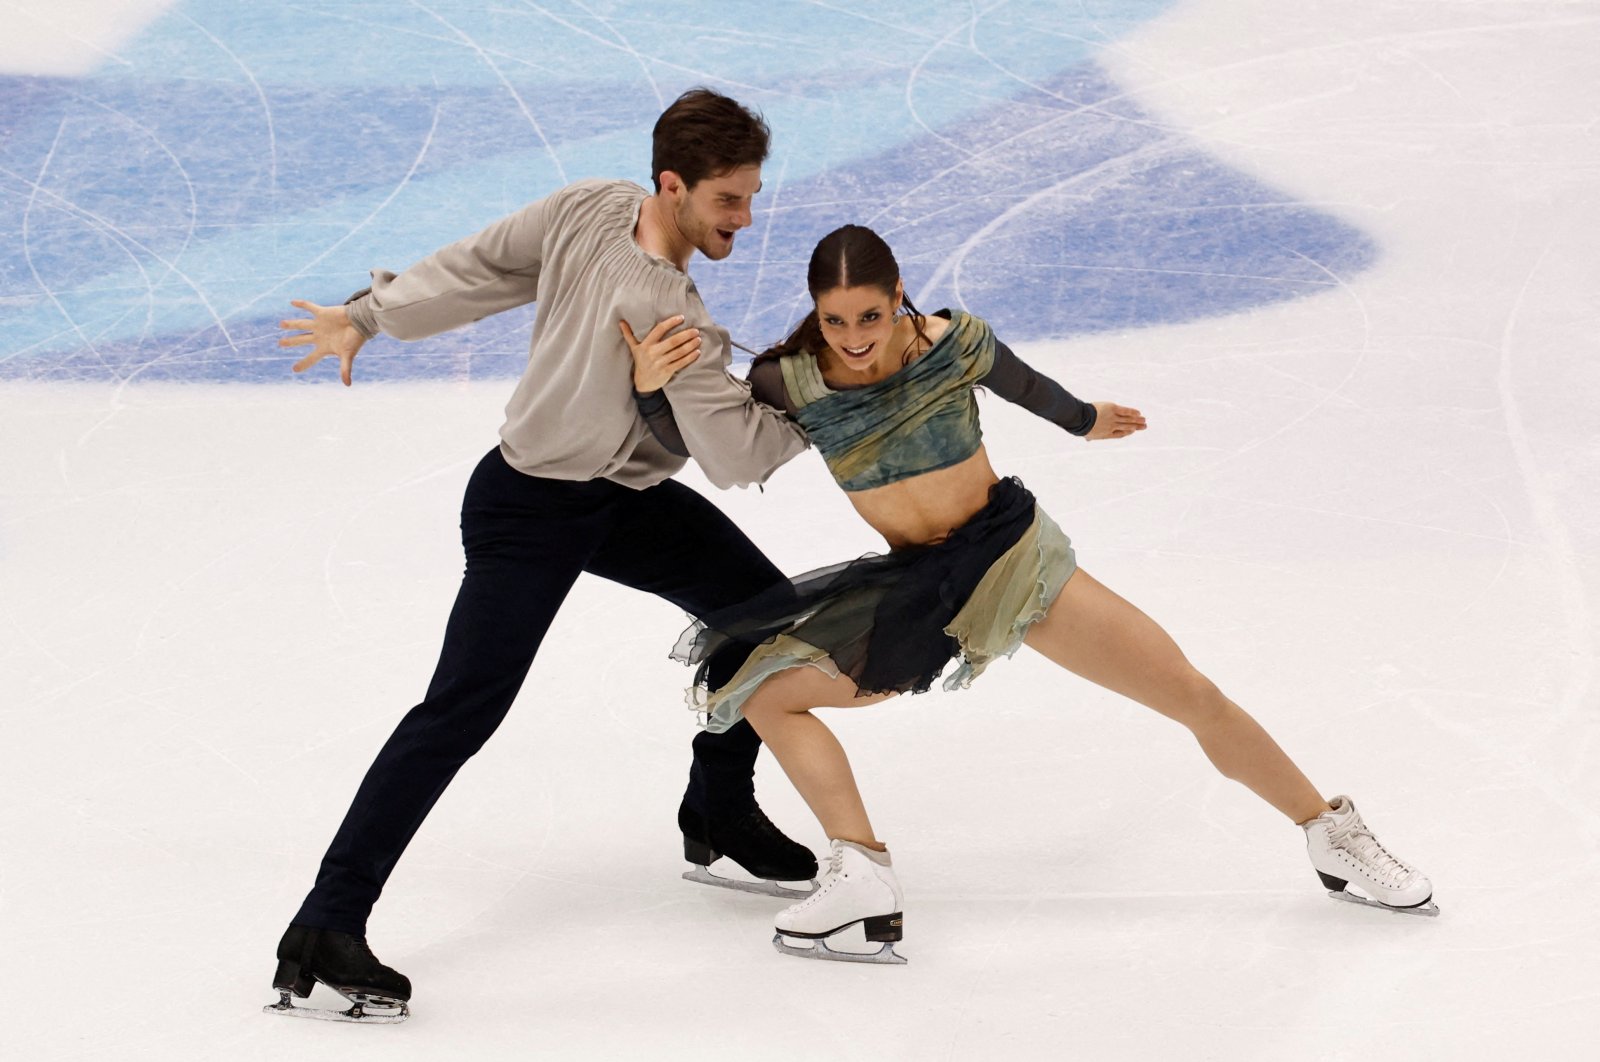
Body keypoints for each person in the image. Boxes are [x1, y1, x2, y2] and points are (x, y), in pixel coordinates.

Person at [624, 224, 1437, 965]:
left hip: (1013, 562)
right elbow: (704, 444)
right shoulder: (790, 379)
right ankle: (862, 875)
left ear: (897, 291)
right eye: (836, 321)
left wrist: (1090, 420)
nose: (855, 338)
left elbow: (1029, 388)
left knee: (1190, 693)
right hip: (921, 588)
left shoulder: (954, 343)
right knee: (768, 691)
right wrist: (654, 390)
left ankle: (1331, 833)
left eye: (869, 317)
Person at [265, 89, 821, 1023]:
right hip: (532, 509)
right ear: (673, 186)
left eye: (752, 196)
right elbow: (735, 457)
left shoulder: (589, 205)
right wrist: (831, 395)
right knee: (461, 708)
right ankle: (326, 923)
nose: (746, 219)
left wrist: (367, 314)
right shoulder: (667, 306)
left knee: (768, 617)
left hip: (620, 500)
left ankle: (717, 810)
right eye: (730, 200)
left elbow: (473, 269)